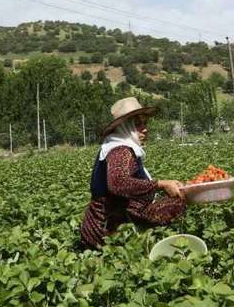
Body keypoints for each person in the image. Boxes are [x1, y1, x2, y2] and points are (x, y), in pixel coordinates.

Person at [80, 97, 187, 248]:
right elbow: (118, 183)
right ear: (125, 127)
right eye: (137, 124)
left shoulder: (118, 146)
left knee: (177, 199)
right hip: (108, 231)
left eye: (144, 123)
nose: (145, 128)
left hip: (113, 221)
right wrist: (160, 184)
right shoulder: (120, 150)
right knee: (176, 204)